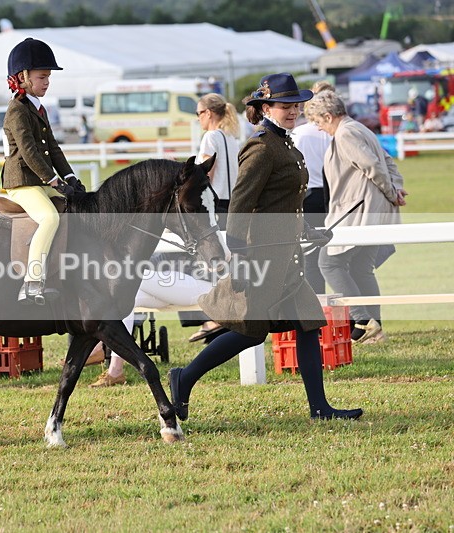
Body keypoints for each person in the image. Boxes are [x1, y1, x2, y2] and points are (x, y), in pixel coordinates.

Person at [168, 72, 363, 422]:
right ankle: (184, 377)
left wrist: (309, 230)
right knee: (249, 332)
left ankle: (319, 408)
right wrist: (239, 253)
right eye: (285, 106)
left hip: (285, 254)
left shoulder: (285, 143)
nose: (293, 111)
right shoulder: (261, 147)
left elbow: (282, 202)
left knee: (308, 324)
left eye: (295, 105)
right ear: (266, 107)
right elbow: (242, 205)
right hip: (261, 256)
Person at [303, 90, 407, 345]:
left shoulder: (346, 133)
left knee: (328, 263)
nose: (317, 127)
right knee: (362, 269)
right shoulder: (359, 128)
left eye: (317, 121)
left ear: (328, 116)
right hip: (370, 210)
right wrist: (396, 186)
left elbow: (372, 167)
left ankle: (362, 320)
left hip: (357, 212)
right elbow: (387, 161)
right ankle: (375, 330)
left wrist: (393, 192)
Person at [2, 37, 82, 305]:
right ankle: (31, 282)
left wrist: (70, 177)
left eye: (48, 77)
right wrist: (54, 181)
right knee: (49, 218)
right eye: (42, 76)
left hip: (39, 180)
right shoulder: (17, 110)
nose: (47, 81)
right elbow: (29, 152)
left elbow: (53, 149)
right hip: (22, 182)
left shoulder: (38, 108)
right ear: (23, 76)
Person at [89, 255, 213, 387]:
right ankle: (115, 371)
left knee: (128, 274)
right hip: (171, 280)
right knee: (124, 300)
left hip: (197, 282)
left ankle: (99, 349)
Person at [186, 92, 240, 343]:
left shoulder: (210, 137)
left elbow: (204, 173)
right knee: (226, 261)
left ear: (208, 113)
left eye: (198, 113)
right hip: (232, 205)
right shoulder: (231, 137)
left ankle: (213, 317)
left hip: (214, 205)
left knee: (207, 261)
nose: (198, 119)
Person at [291, 81, 336, 294]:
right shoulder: (334, 131)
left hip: (308, 196)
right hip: (331, 195)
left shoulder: (299, 134)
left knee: (310, 255)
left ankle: (316, 307)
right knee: (330, 255)